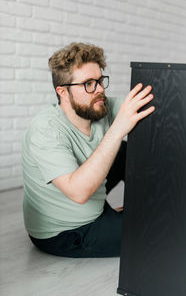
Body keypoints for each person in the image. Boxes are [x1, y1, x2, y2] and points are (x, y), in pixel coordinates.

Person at [22, 42, 155, 258]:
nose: (100, 90)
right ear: (63, 92)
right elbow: (78, 192)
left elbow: (148, 110)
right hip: (68, 232)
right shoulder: (45, 130)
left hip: (93, 204)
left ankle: (137, 208)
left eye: (101, 81)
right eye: (89, 84)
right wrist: (118, 128)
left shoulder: (98, 105)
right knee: (161, 229)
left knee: (125, 151)